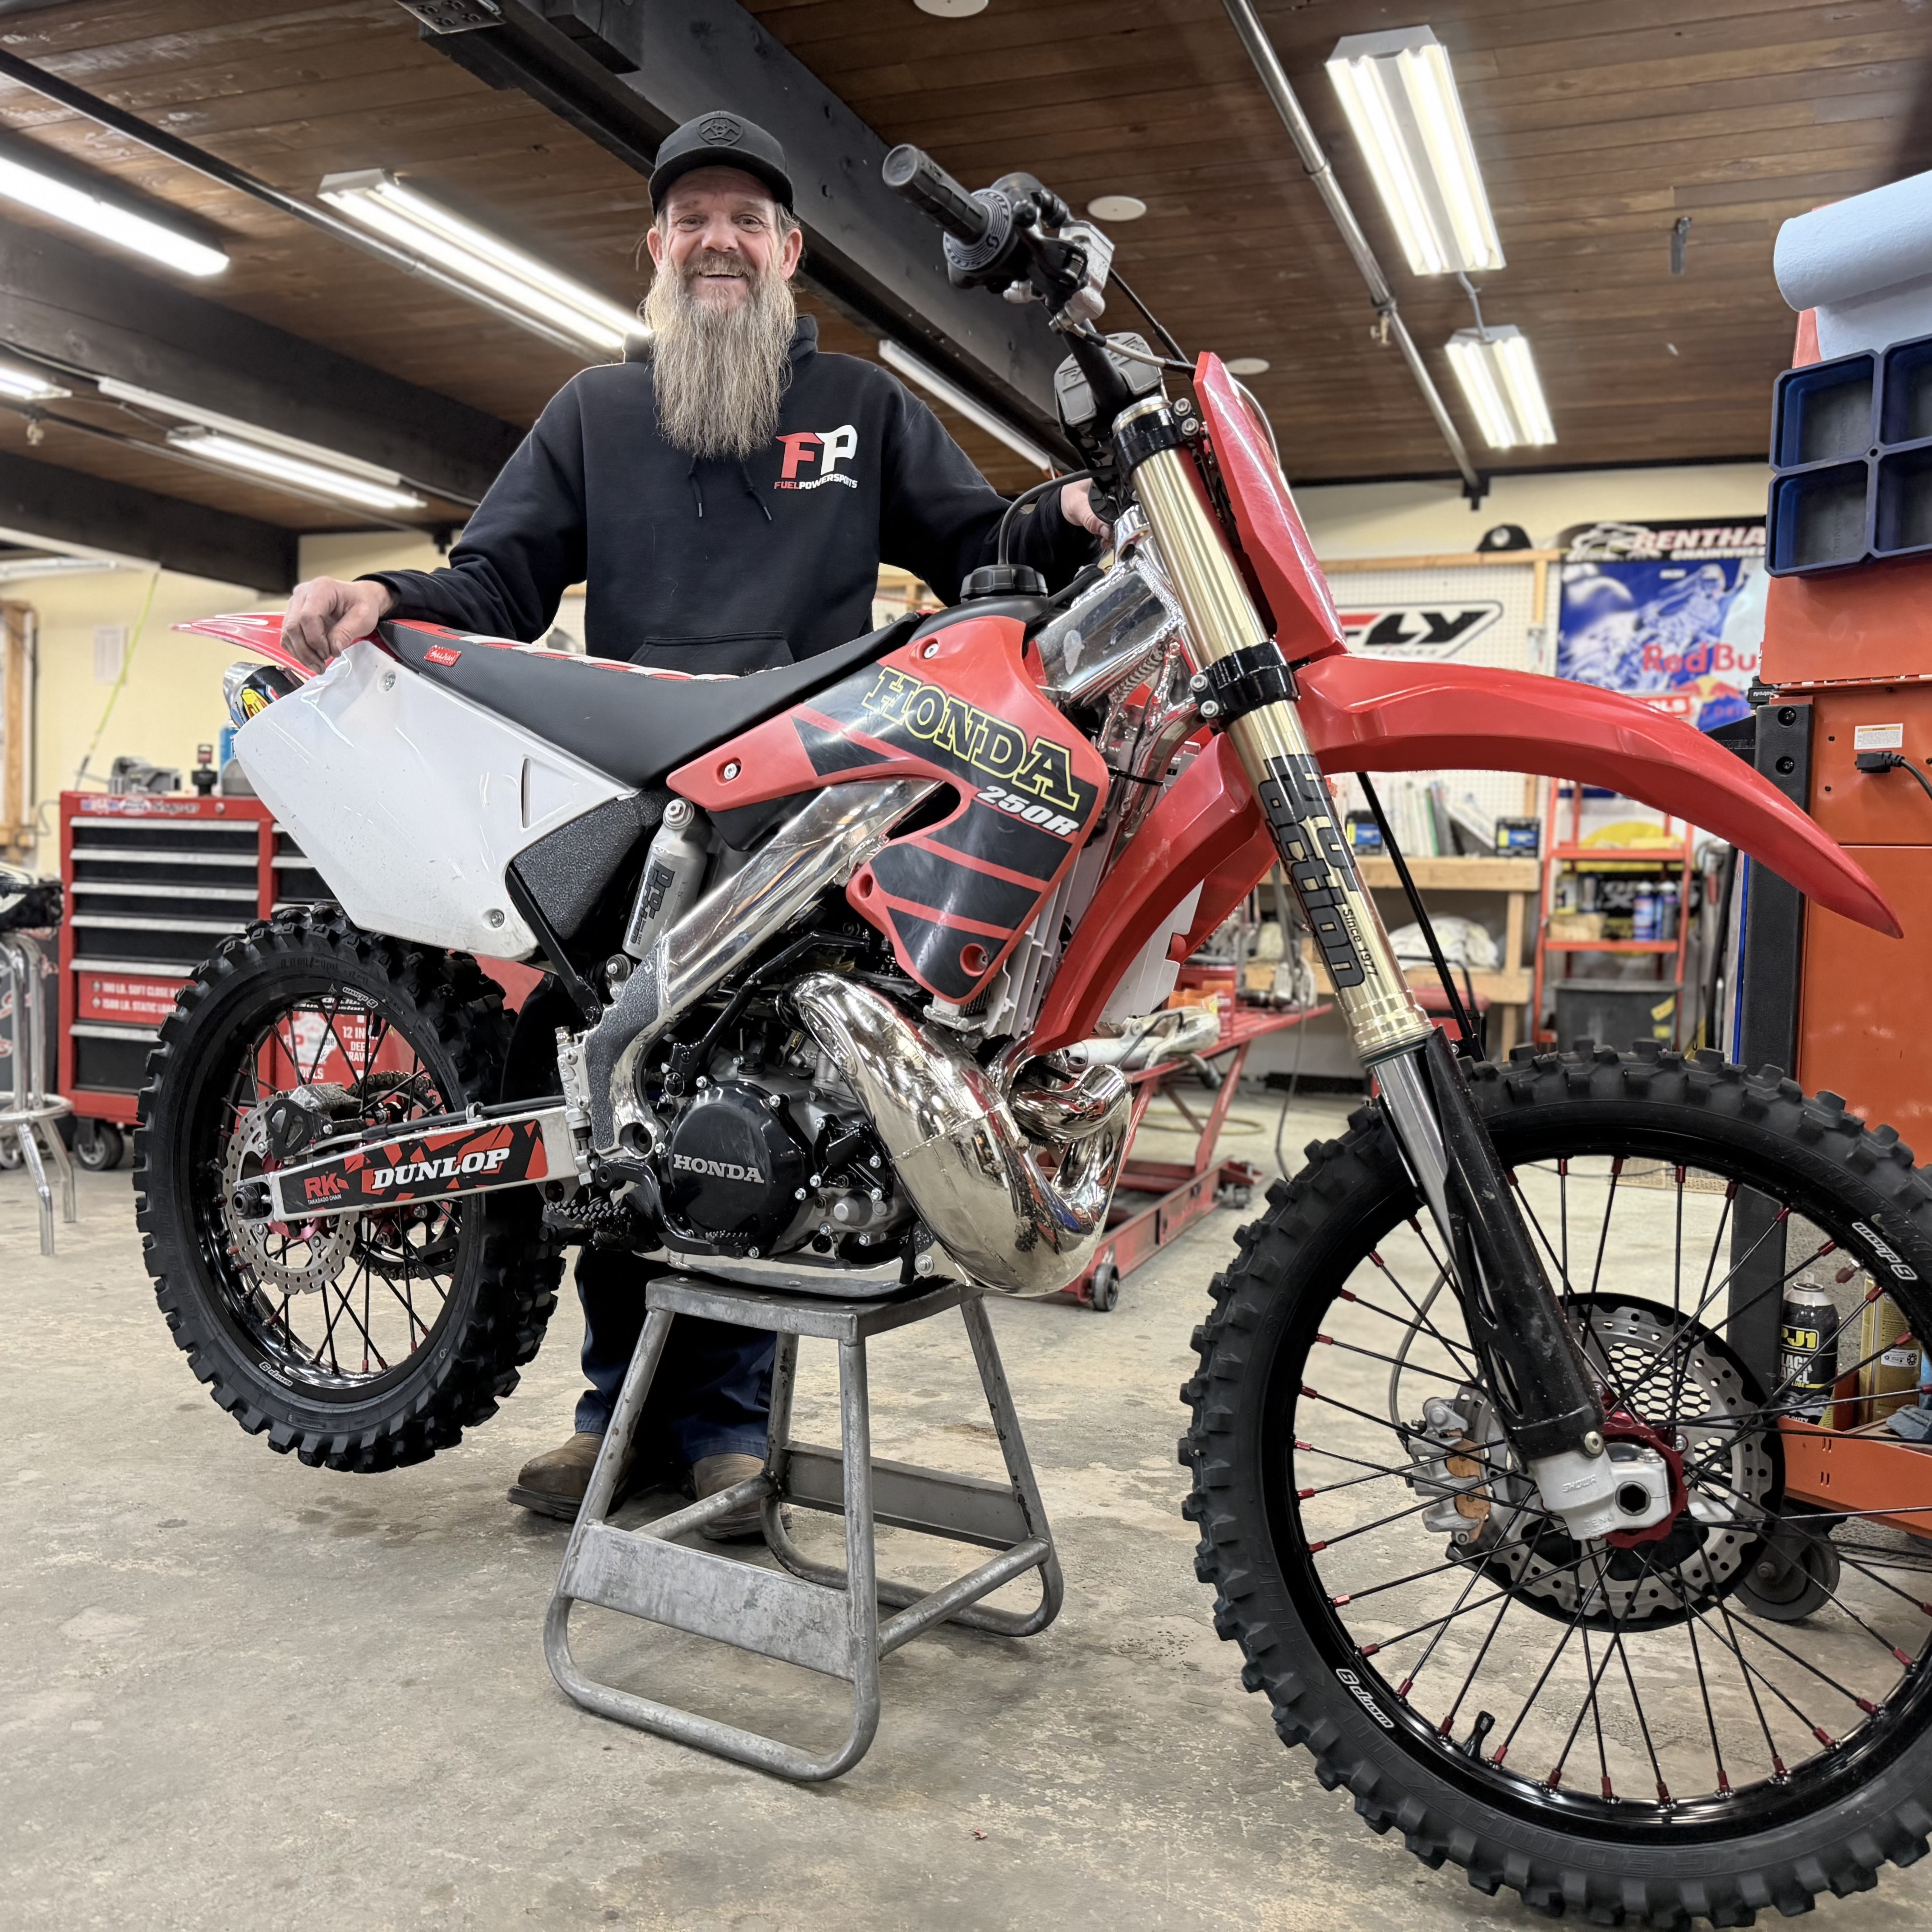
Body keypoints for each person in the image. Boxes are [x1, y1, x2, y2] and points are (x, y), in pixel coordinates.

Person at [281, 109, 1104, 1532]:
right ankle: (614, 1419)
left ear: (788, 252)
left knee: (765, 1122)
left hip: (808, 816)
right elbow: (498, 580)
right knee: (619, 1110)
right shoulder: (595, 413)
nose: (718, 239)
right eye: (693, 219)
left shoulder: (860, 407)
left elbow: (980, 553)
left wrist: (1064, 514)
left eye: (747, 220)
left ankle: (726, 1428)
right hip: (630, 813)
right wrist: (390, 599)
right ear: (656, 248)